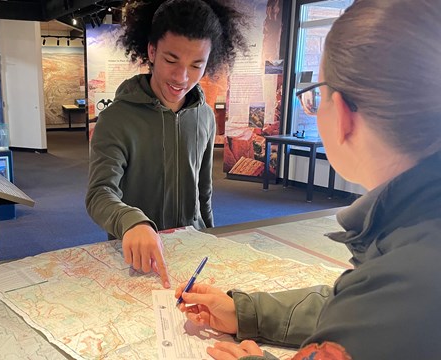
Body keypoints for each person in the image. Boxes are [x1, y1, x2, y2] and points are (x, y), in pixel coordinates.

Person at [175, 0, 441, 358]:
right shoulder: (408, 247)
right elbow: (356, 308)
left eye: (316, 96)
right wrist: (246, 311)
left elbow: (373, 313)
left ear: (342, 115)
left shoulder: (407, 281)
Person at [85, 0, 247, 288]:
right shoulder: (115, 120)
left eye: (197, 65)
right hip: (138, 260)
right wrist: (130, 221)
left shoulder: (205, 116)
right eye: (171, 60)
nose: (182, 77)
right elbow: (99, 194)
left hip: (193, 253)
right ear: (151, 51)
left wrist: (211, 238)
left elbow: (203, 191)